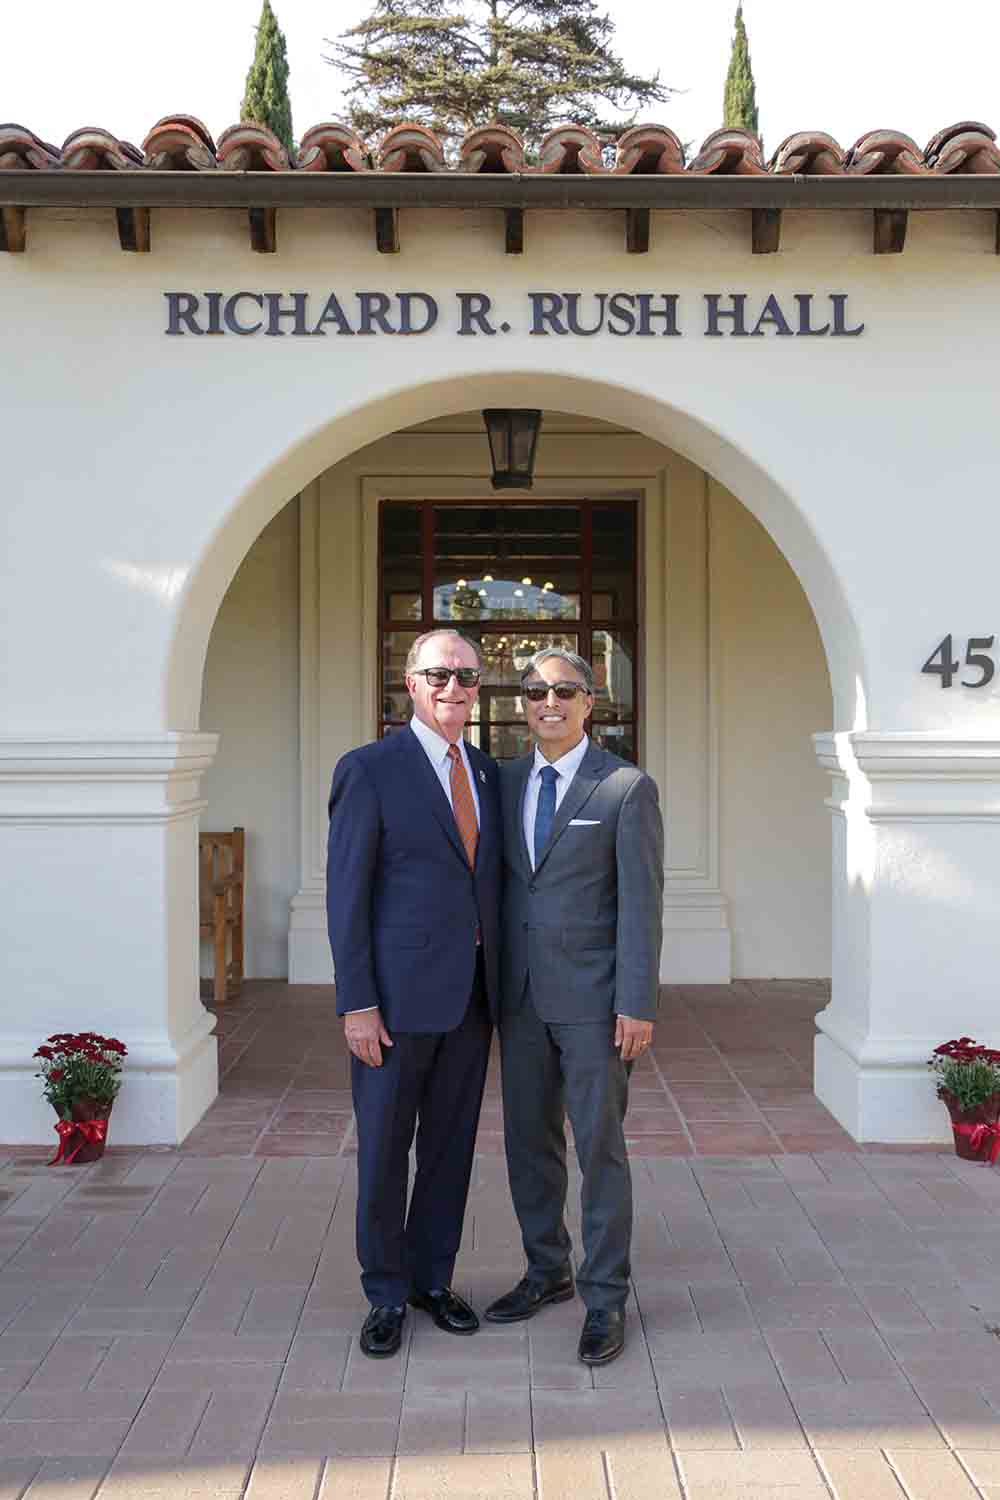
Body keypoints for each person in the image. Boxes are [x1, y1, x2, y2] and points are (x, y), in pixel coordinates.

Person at [485, 646, 663, 1365]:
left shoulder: (625, 787)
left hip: (595, 1002)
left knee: (598, 1147)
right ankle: (547, 1268)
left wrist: (637, 1001)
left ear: (591, 702)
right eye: (534, 692)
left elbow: (643, 907)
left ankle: (606, 1296)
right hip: (520, 998)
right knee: (528, 1141)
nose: (547, 703)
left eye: (563, 690)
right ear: (522, 705)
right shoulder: (501, 782)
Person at [326, 628, 501, 1358]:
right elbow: (347, 897)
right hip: (393, 1007)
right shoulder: (369, 770)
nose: (453, 688)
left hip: (472, 1000)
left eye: (465, 677)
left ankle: (433, 1280)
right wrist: (356, 1003)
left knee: (451, 1149)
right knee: (385, 1151)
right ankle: (386, 1293)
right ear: (410, 682)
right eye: (439, 674)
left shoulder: (488, 771)